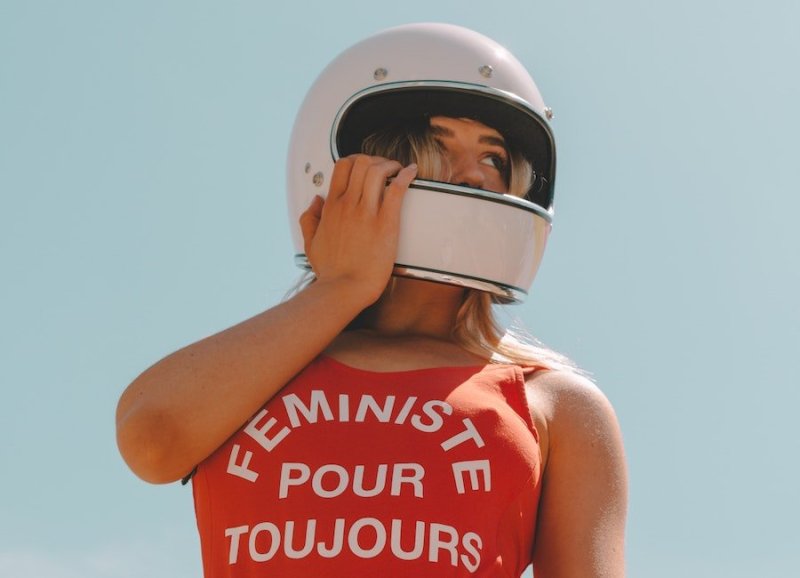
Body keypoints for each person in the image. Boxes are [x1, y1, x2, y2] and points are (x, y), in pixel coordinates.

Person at [116, 23, 627, 577]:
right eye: (438, 145)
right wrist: (343, 288)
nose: (475, 176)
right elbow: (150, 439)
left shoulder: (551, 402)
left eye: (496, 159)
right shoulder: (258, 367)